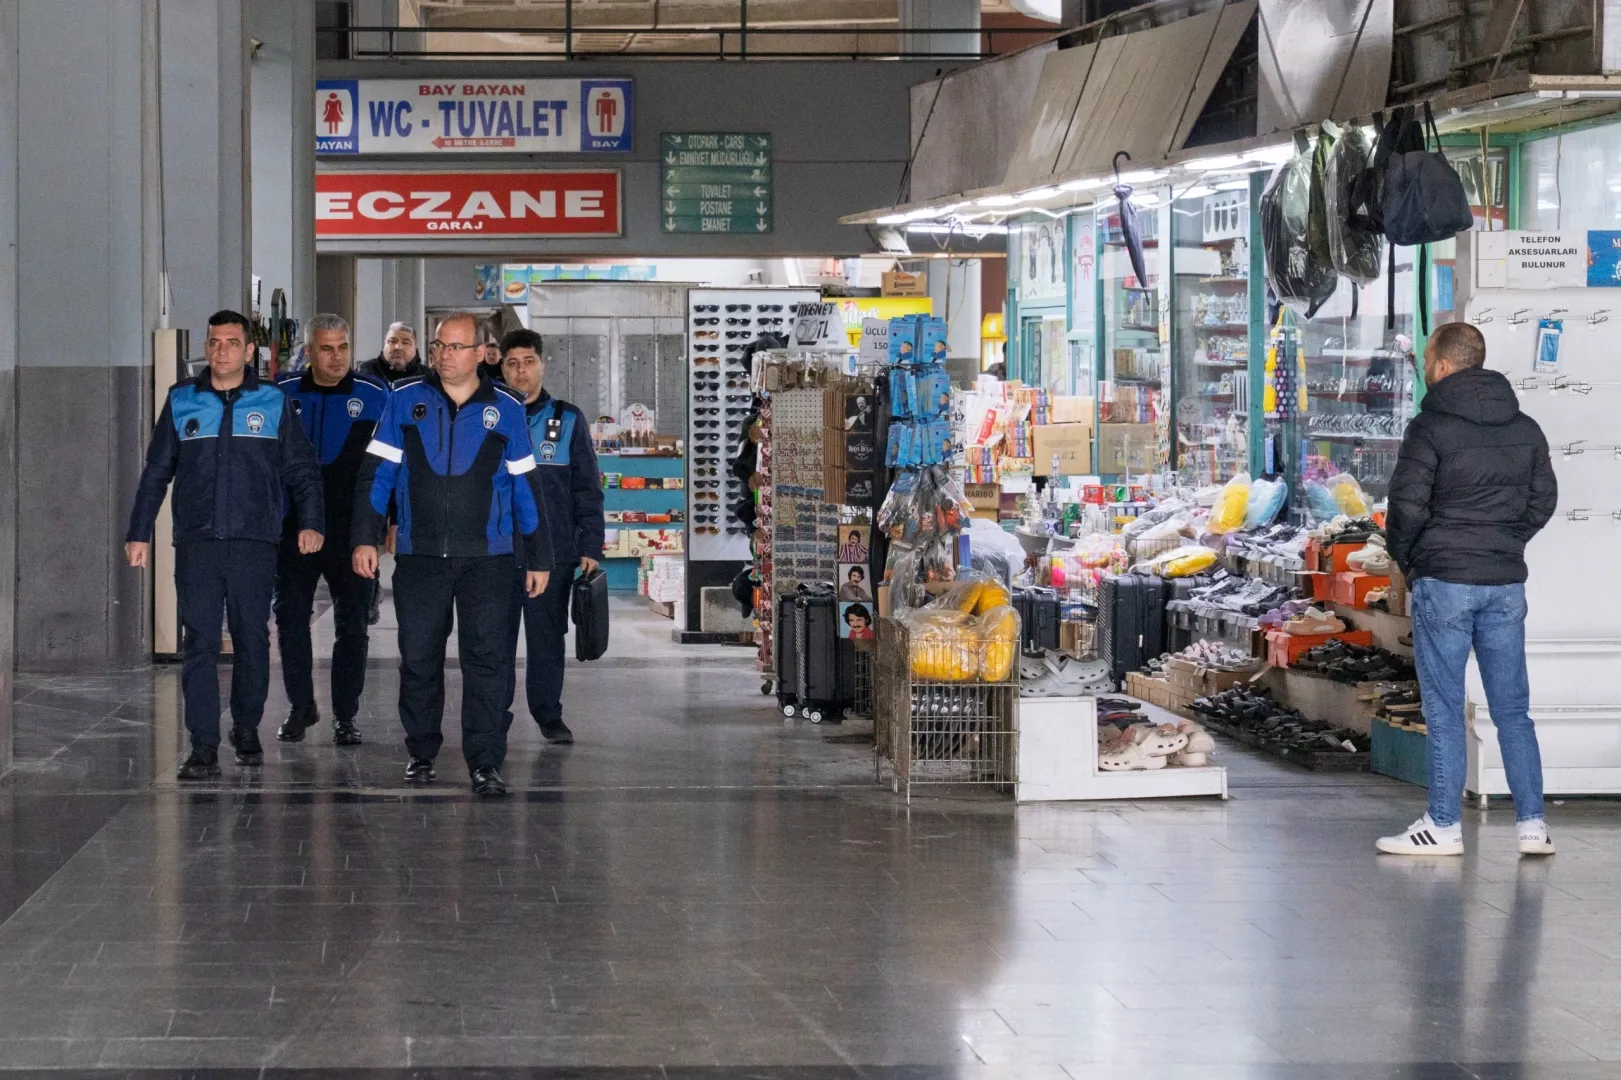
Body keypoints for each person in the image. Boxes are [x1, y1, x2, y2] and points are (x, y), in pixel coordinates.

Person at [352, 312, 552, 797]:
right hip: (420, 557)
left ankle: (485, 762)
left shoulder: (506, 406)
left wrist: (540, 555)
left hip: (489, 559)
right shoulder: (404, 400)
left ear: (480, 353)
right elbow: (377, 474)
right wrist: (364, 537)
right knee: (419, 657)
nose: (445, 355)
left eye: (456, 347)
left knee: (487, 661)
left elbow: (526, 485)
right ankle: (421, 753)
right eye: (440, 346)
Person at [1377, 322, 1557, 857]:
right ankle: (1532, 826)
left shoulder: (1429, 428)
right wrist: (1506, 543)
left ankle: (1443, 825)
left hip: (1445, 581)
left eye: (1427, 360)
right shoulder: (1525, 427)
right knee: (1512, 710)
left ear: (1442, 364)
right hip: (1504, 583)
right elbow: (1542, 501)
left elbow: (1406, 507)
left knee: (1445, 708)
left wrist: (1412, 560)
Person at [126, 310, 324, 780]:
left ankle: (247, 727)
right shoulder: (182, 400)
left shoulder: (273, 401)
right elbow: (156, 471)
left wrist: (311, 522)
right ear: (206, 348)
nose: (222, 351)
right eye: (214, 342)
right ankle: (202, 745)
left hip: (255, 542)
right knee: (199, 642)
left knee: (252, 637)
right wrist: (139, 531)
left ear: (249, 350)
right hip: (197, 542)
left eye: (232, 342)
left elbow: (302, 470)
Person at [273, 314, 388, 747]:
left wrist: (386, 525)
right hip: (295, 528)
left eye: (343, 347)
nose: (337, 357)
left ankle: (345, 715)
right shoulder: (282, 393)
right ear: (308, 351)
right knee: (289, 618)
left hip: (352, 530)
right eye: (326, 349)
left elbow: (390, 465)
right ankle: (301, 706)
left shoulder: (375, 395)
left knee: (353, 623)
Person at [498, 329, 606, 745]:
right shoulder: (488, 415)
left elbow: (587, 488)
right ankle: (495, 715)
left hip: (554, 551)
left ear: (542, 365)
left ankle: (548, 715)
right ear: (501, 368)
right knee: (495, 641)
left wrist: (590, 544)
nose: (521, 371)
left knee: (546, 640)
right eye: (512, 363)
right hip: (497, 551)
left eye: (528, 362)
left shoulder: (569, 419)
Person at [359, 322, 424, 385]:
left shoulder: (426, 378)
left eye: (405, 343)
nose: (398, 347)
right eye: (392, 341)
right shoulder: (364, 372)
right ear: (384, 344)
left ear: (415, 346)